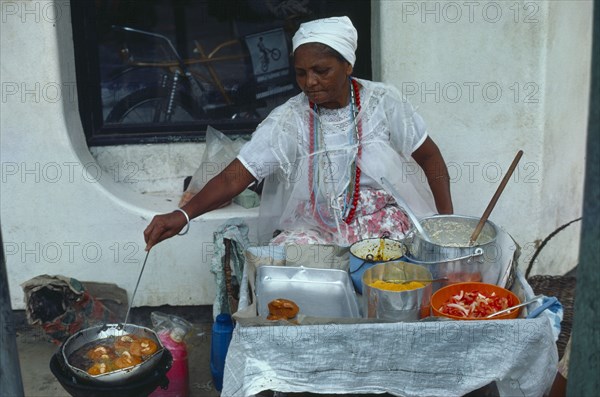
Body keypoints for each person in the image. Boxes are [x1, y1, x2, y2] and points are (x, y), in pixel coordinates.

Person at [144, 16, 453, 250]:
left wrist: (448, 225)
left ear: (348, 65)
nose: (310, 82)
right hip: (318, 227)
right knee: (286, 267)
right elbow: (237, 175)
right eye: (301, 73)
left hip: (381, 224)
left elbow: (429, 156)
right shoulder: (289, 119)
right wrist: (182, 215)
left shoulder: (383, 103)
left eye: (321, 71)